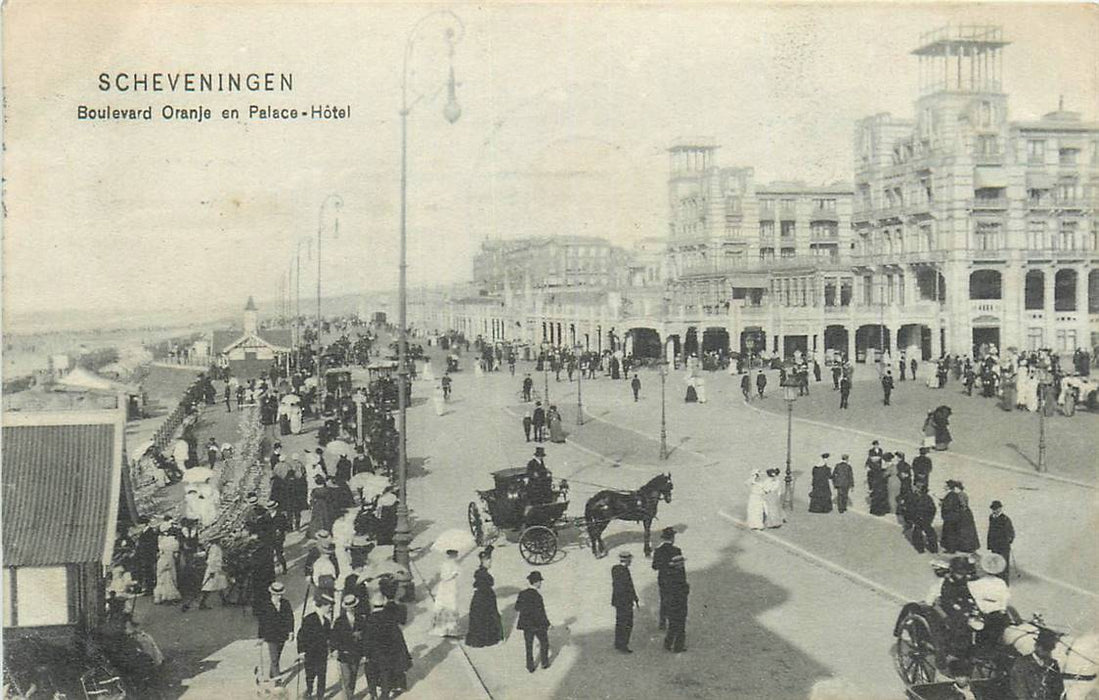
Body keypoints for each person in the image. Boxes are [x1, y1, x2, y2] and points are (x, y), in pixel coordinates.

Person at [364, 577, 412, 700]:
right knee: (386, 671)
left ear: (373, 605)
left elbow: (367, 638)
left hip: (375, 651)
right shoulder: (389, 617)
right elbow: (395, 634)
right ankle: (385, 694)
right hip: (389, 650)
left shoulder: (370, 619)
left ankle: (374, 693)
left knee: (374, 672)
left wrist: (366, 653)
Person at [1010, 628, 1065, 700]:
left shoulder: (1053, 664)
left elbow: (1059, 689)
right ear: (1036, 646)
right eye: (1044, 648)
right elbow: (1019, 689)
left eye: (1050, 648)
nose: (1047, 651)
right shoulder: (1022, 663)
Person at [256, 581, 295, 679]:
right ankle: (277, 680)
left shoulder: (286, 603)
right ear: (272, 594)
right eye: (277, 595)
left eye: (281, 595)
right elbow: (262, 622)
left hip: (282, 635)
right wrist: (261, 637)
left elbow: (290, 618)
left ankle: (272, 674)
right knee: (274, 659)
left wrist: (291, 632)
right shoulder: (265, 605)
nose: (279, 597)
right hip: (271, 636)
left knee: (277, 656)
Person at [298, 593, 334, 699]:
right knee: (310, 675)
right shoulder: (309, 619)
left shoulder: (327, 622)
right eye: (329, 606)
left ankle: (320, 696)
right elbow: (301, 636)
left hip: (322, 654)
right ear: (323, 605)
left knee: (322, 676)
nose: (331, 609)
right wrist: (301, 651)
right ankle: (309, 692)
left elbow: (329, 638)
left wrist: (331, 650)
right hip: (310, 653)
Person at [465, 547, 502, 647]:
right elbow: (485, 584)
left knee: (483, 618)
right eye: (488, 560)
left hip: (482, 597)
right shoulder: (482, 573)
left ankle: (483, 638)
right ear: (483, 561)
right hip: (484, 598)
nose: (490, 563)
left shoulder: (482, 572)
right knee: (484, 617)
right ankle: (485, 639)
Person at [515, 571, 551, 672]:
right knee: (544, 643)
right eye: (539, 581)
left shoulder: (522, 594)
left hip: (526, 625)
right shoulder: (537, 596)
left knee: (529, 646)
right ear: (535, 582)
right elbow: (541, 612)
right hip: (538, 625)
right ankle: (544, 663)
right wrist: (548, 624)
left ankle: (530, 666)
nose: (540, 583)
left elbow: (517, 608)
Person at [332, 593, 365, 700]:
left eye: (354, 607)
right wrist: (334, 649)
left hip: (356, 654)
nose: (352, 609)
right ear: (346, 608)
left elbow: (365, 636)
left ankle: (350, 696)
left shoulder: (361, 619)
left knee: (353, 676)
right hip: (344, 654)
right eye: (350, 607)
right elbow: (334, 637)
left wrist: (364, 652)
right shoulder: (339, 621)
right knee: (346, 678)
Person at [651, 527, 682, 630]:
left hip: (663, 579)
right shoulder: (676, 550)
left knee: (663, 599)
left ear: (663, 538)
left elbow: (654, 566)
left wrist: (663, 565)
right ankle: (673, 620)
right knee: (674, 600)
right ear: (672, 538)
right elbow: (680, 568)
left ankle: (662, 622)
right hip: (674, 579)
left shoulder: (658, 551)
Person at [940, 481, 980, 554]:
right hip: (964, 515)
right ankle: (966, 547)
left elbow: (962, 505)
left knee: (962, 532)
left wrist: (944, 504)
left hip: (963, 515)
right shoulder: (959, 494)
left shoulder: (959, 495)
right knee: (964, 532)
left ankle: (964, 547)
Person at [611, 551, 639, 653]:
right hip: (625, 602)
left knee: (620, 622)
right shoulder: (623, 571)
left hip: (619, 601)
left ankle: (618, 643)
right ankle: (623, 645)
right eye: (630, 560)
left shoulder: (616, 569)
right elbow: (627, 587)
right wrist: (633, 597)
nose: (631, 561)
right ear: (627, 560)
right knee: (627, 623)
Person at [431, 549, 462, 637]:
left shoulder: (454, 564)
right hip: (446, 587)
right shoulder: (446, 564)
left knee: (451, 604)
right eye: (455, 554)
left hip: (452, 586)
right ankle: (445, 629)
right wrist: (453, 574)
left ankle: (450, 629)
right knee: (448, 605)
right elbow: (444, 576)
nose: (456, 555)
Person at [663, 555, 689, 652]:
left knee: (673, 624)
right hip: (679, 603)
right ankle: (678, 646)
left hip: (671, 603)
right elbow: (682, 590)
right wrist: (686, 588)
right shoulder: (678, 575)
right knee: (680, 625)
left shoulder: (669, 573)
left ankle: (668, 643)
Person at [987, 500, 1015, 583]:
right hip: (994, 544)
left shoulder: (1005, 519)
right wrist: (989, 544)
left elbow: (1011, 531)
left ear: (1000, 508)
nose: (995, 510)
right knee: (995, 563)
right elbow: (990, 531)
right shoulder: (991, 517)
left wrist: (1010, 539)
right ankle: (996, 581)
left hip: (1003, 546)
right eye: (993, 509)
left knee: (1003, 564)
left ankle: (1005, 582)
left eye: (996, 509)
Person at [153, 523, 181, 604]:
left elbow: (160, 552)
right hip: (170, 560)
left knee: (161, 578)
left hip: (162, 560)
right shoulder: (175, 542)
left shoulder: (162, 541)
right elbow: (176, 555)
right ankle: (170, 596)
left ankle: (160, 596)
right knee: (170, 578)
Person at [908, 485, 939, 553]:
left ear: (920, 490)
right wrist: (930, 518)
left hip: (921, 518)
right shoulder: (928, 498)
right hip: (926, 519)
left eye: (917, 489)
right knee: (930, 532)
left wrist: (917, 517)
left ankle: (920, 549)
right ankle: (934, 548)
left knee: (917, 533)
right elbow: (933, 509)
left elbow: (916, 509)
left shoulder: (921, 498)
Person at [198, 539, 228, 608]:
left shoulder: (215, 547)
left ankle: (224, 600)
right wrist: (212, 570)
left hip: (218, 568)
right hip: (213, 569)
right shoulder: (215, 548)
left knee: (221, 583)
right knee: (209, 585)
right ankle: (202, 603)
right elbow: (211, 560)